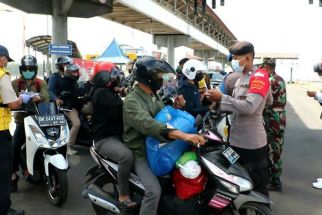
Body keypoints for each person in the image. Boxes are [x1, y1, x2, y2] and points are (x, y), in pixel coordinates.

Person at [123, 57, 206, 215]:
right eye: (158, 76)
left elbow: (162, 116)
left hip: (158, 146)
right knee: (154, 191)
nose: (161, 80)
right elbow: (150, 125)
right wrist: (183, 136)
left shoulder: (153, 95)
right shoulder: (132, 101)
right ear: (147, 78)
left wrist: (175, 107)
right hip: (140, 151)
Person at [204, 41, 273, 197]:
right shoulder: (242, 77)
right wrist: (216, 101)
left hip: (251, 144)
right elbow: (268, 100)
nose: (233, 61)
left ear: (247, 58)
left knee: (258, 186)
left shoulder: (259, 77)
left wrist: (222, 98)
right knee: (235, 182)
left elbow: (249, 107)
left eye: (236, 58)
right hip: (235, 141)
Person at [89, 62, 137, 209]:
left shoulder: (108, 92)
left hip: (118, 135)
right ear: (104, 78)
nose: (116, 79)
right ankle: (123, 195)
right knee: (126, 156)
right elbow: (122, 107)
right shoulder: (101, 93)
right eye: (113, 76)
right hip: (105, 139)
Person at [11, 55, 49, 192]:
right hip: (21, 121)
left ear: (35, 69)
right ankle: (13, 175)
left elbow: (46, 95)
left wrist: (39, 97)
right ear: (21, 70)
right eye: (25, 69)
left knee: (45, 145)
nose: (28, 71)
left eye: (31, 68)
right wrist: (19, 99)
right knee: (14, 147)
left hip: (38, 120)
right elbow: (11, 99)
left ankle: (43, 169)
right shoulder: (15, 83)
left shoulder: (41, 82)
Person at [0, 44, 30, 215]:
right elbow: (12, 104)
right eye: (5, 59)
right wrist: (22, 98)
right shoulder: (2, 75)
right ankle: (4, 210)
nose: (5, 62)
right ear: (1, 57)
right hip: (0, 130)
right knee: (3, 173)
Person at [260, 57, 287, 192]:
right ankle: (274, 179)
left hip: (272, 119)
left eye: (263, 67)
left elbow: (264, 100)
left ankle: (275, 182)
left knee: (271, 150)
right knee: (277, 149)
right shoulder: (280, 79)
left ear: (267, 67)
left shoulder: (270, 80)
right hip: (280, 117)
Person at [59, 63, 83, 155]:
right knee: (77, 124)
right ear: (68, 72)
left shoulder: (73, 81)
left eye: (77, 72)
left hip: (75, 105)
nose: (76, 74)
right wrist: (79, 95)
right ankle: (68, 146)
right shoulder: (65, 81)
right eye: (74, 72)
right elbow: (71, 94)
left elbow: (78, 92)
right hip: (68, 106)